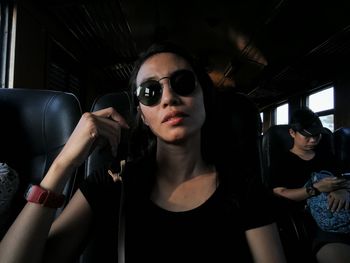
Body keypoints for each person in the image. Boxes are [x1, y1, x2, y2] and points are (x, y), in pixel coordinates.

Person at [0, 41, 286, 263]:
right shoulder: (110, 186)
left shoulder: (244, 189)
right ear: (142, 114)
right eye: (151, 92)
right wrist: (64, 162)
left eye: (183, 84)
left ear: (205, 99)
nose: (169, 98)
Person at [269, 107, 350, 263]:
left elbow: (342, 178)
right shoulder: (282, 161)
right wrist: (315, 189)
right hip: (314, 221)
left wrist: (344, 191)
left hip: (344, 209)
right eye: (306, 136)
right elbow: (280, 192)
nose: (313, 140)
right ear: (292, 133)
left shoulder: (326, 155)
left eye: (317, 135)